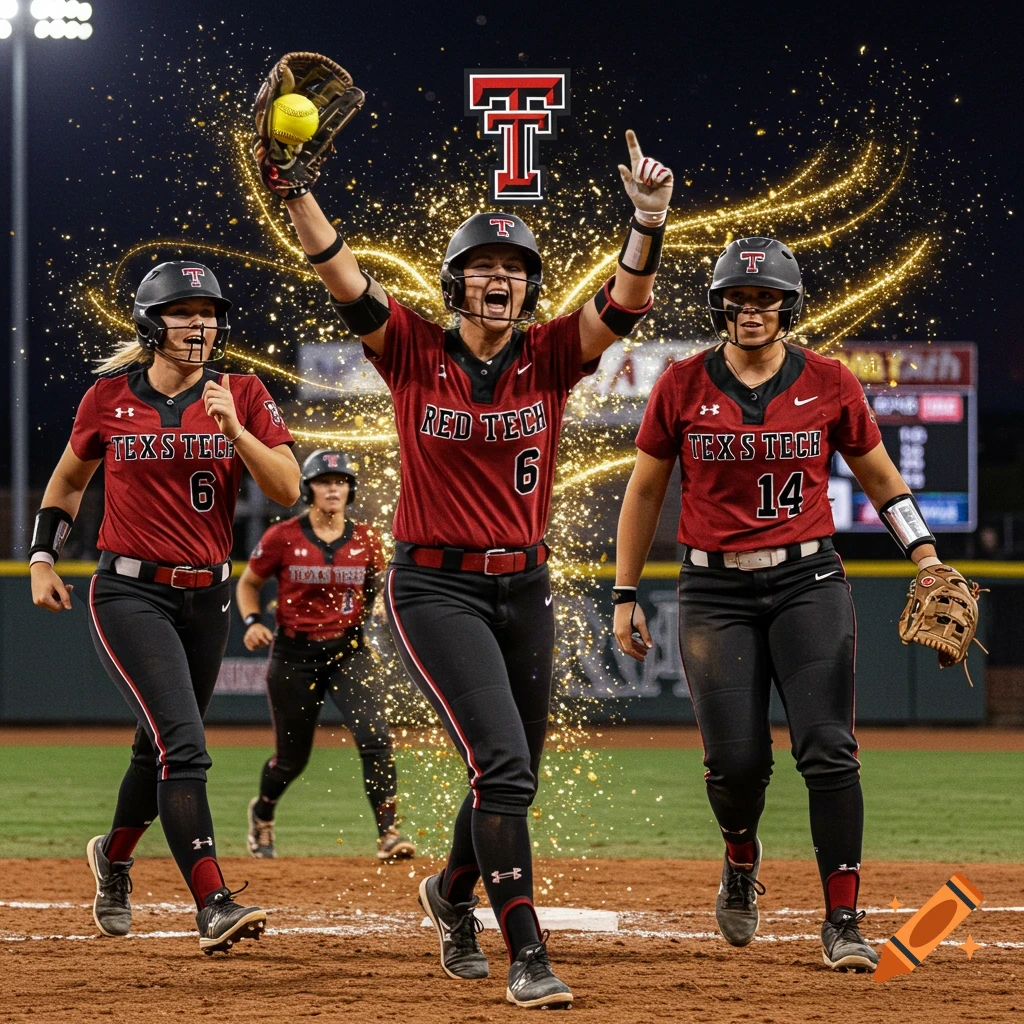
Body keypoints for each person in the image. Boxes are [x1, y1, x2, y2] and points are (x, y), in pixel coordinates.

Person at [255, 129, 672, 1007]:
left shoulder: (553, 355)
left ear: (528, 287)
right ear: (455, 283)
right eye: (484, 265)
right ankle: (524, 949)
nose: (501, 277)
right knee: (506, 767)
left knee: (511, 765)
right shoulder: (410, 347)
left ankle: (448, 895)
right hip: (435, 585)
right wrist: (293, 190)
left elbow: (625, 306)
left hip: (524, 584)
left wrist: (647, 221)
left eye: (515, 267)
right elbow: (339, 271)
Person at [612, 236, 976, 973]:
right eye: (739, 299)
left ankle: (842, 918)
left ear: (788, 304)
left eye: (765, 298)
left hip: (808, 581)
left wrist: (927, 555)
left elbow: (880, 479)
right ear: (719, 304)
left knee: (829, 750)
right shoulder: (681, 384)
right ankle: (741, 859)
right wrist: (625, 591)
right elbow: (646, 490)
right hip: (714, 588)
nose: (751, 311)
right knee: (736, 763)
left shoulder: (831, 381)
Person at [29, 261, 300, 954]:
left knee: (156, 748)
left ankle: (113, 859)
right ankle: (211, 901)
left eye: (208, 312)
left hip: (206, 595)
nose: (200, 324)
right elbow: (66, 484)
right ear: (151, 322)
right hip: (129, 591)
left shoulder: (241, 392)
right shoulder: (109, 398)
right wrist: (40, 558)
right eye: (184, 311)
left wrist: (237, 430)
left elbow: (288, 490)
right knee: (184, 745)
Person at [237, 449, 415, 861]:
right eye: (324, 480)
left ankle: (388, 832)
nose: (333, 487)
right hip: (294, 654)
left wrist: (374, 616)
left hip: (348, 650)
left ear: (350, 490)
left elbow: (376, 591)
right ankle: (262, 813)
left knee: (375, 738)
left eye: (341, 481)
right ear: (309, 489)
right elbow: (248, 584)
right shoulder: (283, 536)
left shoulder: (368, 539)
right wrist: (251, 623)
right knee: (291, 759)